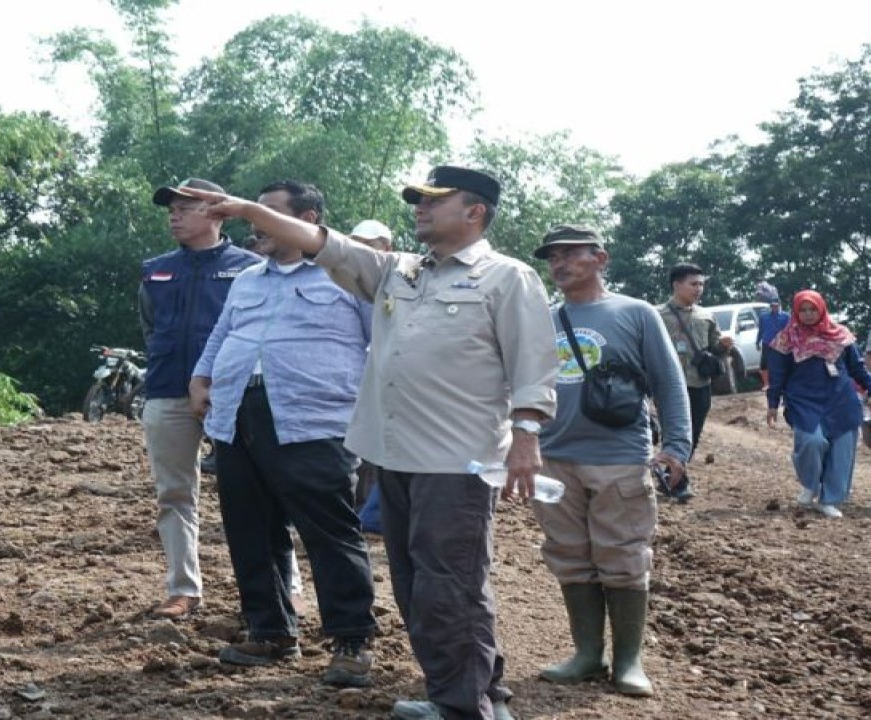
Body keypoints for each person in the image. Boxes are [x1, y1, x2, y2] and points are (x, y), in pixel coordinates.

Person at [184, 164, 559, 720]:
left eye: (435, 200)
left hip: (457, 460)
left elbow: (533, 364)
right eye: (418, 200)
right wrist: (248, 210)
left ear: (475, 212)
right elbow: (321, 242)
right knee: (414, 585)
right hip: (393, 453)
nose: (420, 208)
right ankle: (464, 693)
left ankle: (466, 705)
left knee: (451, 585)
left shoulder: (506, 278)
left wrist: (526, 437)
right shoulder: (399, 272)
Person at [190, 180, 377, 687]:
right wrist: (201, 377)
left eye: (268, 213)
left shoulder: (347, 275)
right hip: (236, 416)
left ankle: (353, 640)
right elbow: (223, 334)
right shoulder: (248, 280)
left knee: (330, 531)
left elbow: (381, 343)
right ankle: (271, 631)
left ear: (308, 218)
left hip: (314, 420)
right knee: (250, 528)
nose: (256, 223)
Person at [529, 225, 693, 698]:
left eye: (570, 254)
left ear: (600, 258)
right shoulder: (541, 316)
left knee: (623, 556)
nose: (559, 264)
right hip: (553, 456)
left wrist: (677, 446)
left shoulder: (635, 313)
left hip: (620, 457)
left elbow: (668, 381)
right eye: (552, 257)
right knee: (569, 555)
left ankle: (628, 661)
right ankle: (585, 655)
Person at [140, 178, 260, 620]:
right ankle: (182, 588)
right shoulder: (155, 270)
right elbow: (150, 328)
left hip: (232, 394)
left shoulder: (251, 269)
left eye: (185, 207)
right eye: (171, 208)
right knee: (174, 492)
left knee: (259, 493)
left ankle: (285, 586)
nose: (174, 215)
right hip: (167, 390)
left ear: (218, 212)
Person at [765, 290, 871, 518]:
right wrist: (773, 403)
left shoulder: (840, 335)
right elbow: (777, 374)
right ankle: (810, 485)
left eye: (813, 309)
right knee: (812, 442)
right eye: (803, 310)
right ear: (796, 311)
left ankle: (829, 500)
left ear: (821, 308)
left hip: (841, 399)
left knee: (842, 450)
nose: (808, 314)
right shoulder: (786, 339)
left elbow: (857, 368)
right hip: (804, 400)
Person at [656, 263, 734, 502]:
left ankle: (672, 474)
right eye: (693, 284)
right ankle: (679, 483)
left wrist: (723, 347)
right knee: (673, 431)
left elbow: (715, 348)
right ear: (676, 285)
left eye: (701, 284)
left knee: (694, 434)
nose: (698, 289)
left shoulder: (706, 316)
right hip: (668, 384)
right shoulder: (656, 315)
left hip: (699, 383)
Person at [346, 218, 394, 528]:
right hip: (354, 382)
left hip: (386, 379)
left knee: (381, 452)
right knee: (358, 448)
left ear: (386, 248)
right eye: (357, 244)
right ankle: (362, 511)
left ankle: (374, 515)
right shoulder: (344, 278)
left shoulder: (396, 281)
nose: (361, 251)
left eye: (369, 245)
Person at [756, 294, 790, 390]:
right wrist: (757, 341)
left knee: (782, 363)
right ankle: (766, 384)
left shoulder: (786, 316)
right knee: (764, 364)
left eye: (776, 306)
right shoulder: (764, 317)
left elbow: (789, 330)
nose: (774, 307)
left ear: (779, 305)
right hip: (767, 342)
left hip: (780, 343)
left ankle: (784, 382)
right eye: (772, 306)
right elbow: (761, 330)